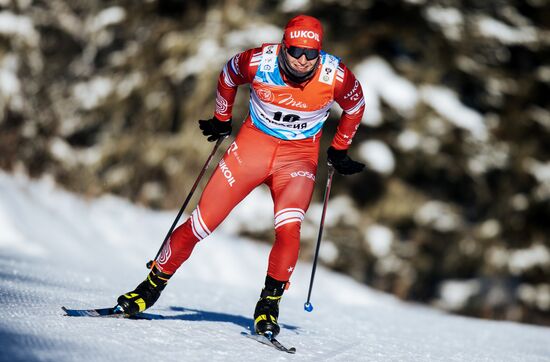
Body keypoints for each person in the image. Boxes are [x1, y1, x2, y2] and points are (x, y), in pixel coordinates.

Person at [116, 14, 366, 338]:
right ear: (283, 46)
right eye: (295, 51)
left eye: (311, 54)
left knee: (289, 230)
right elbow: (229, 74)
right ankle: (149, 289)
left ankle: (268, 307)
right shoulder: (259, 61)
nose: (303, 60)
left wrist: (339, 149)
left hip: (297, 159)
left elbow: (356, 105)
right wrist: (222, 119)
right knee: (200, 224)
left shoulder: (336, 76)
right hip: (251, 150)